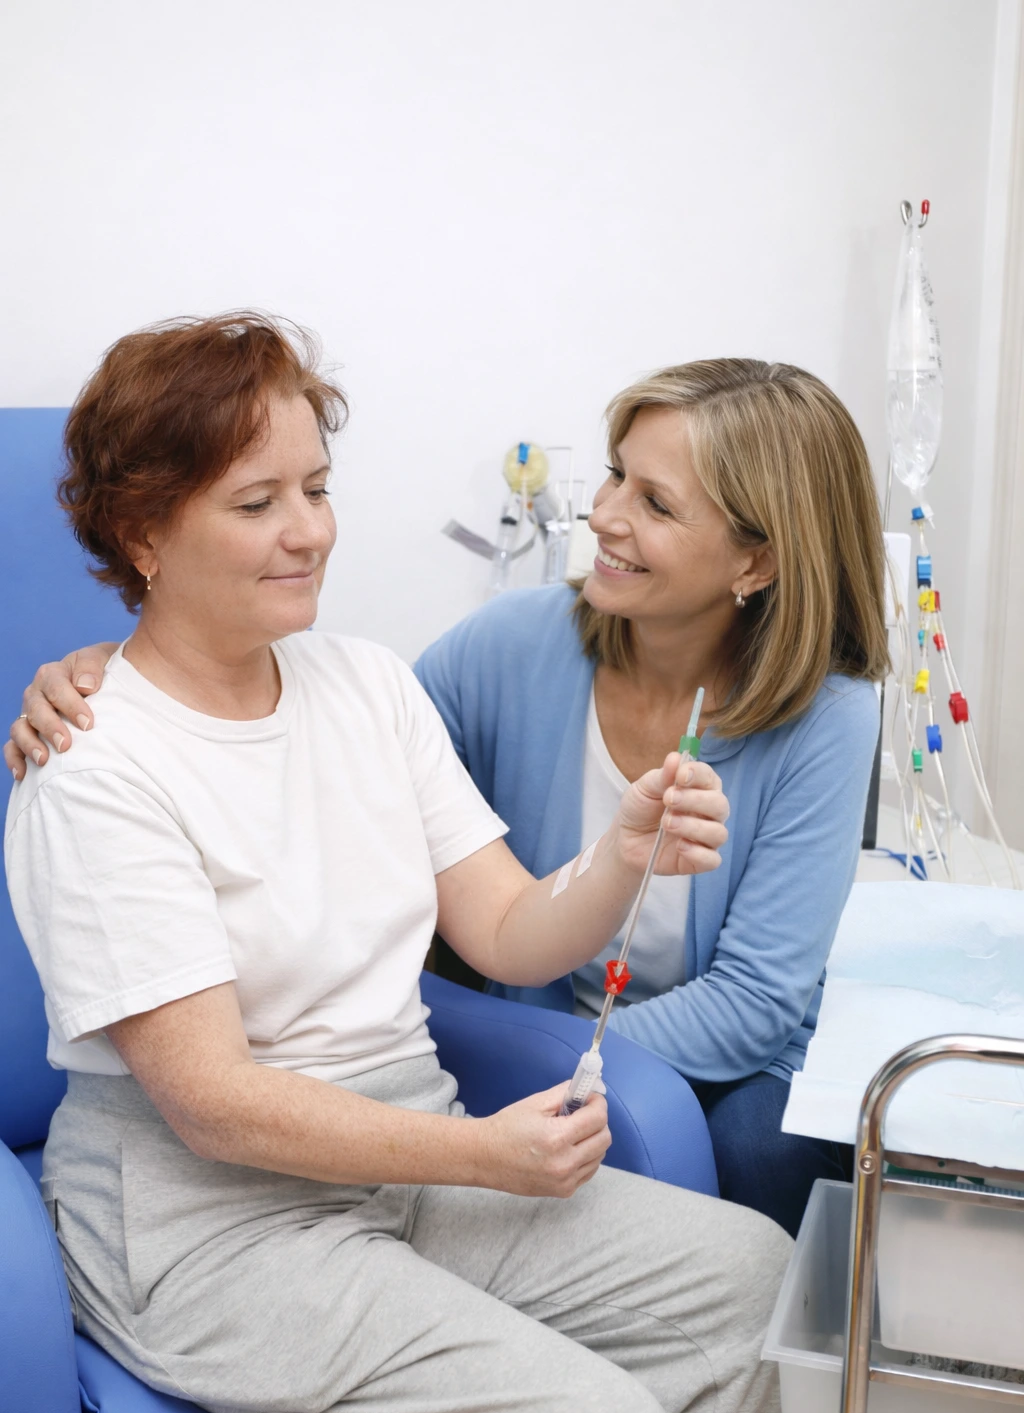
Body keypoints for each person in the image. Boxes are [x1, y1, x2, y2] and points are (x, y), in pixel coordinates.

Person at [4, 314, 790, 1413]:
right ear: (143, 528)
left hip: (402, 1168)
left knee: (751, 1281)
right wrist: (485, 1159)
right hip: (209, 1230)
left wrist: (621, 851)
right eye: (257, 502)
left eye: (316, 488)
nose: (309, 530)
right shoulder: (99, 769)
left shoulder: (365, 686)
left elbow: (510, 932)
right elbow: (210, 1101)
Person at [15, 359, 888, 1238]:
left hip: (660, 1061)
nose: (605, 515)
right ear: (144, 536)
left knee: (759, 1172)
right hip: (463, 1086)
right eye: (616, 474)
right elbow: (312, 751)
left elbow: (746, 1001)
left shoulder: (831, 720)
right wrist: (130, 677)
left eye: (656, 505)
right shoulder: (506, 646)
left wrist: (553, 1072)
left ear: (757, 558)